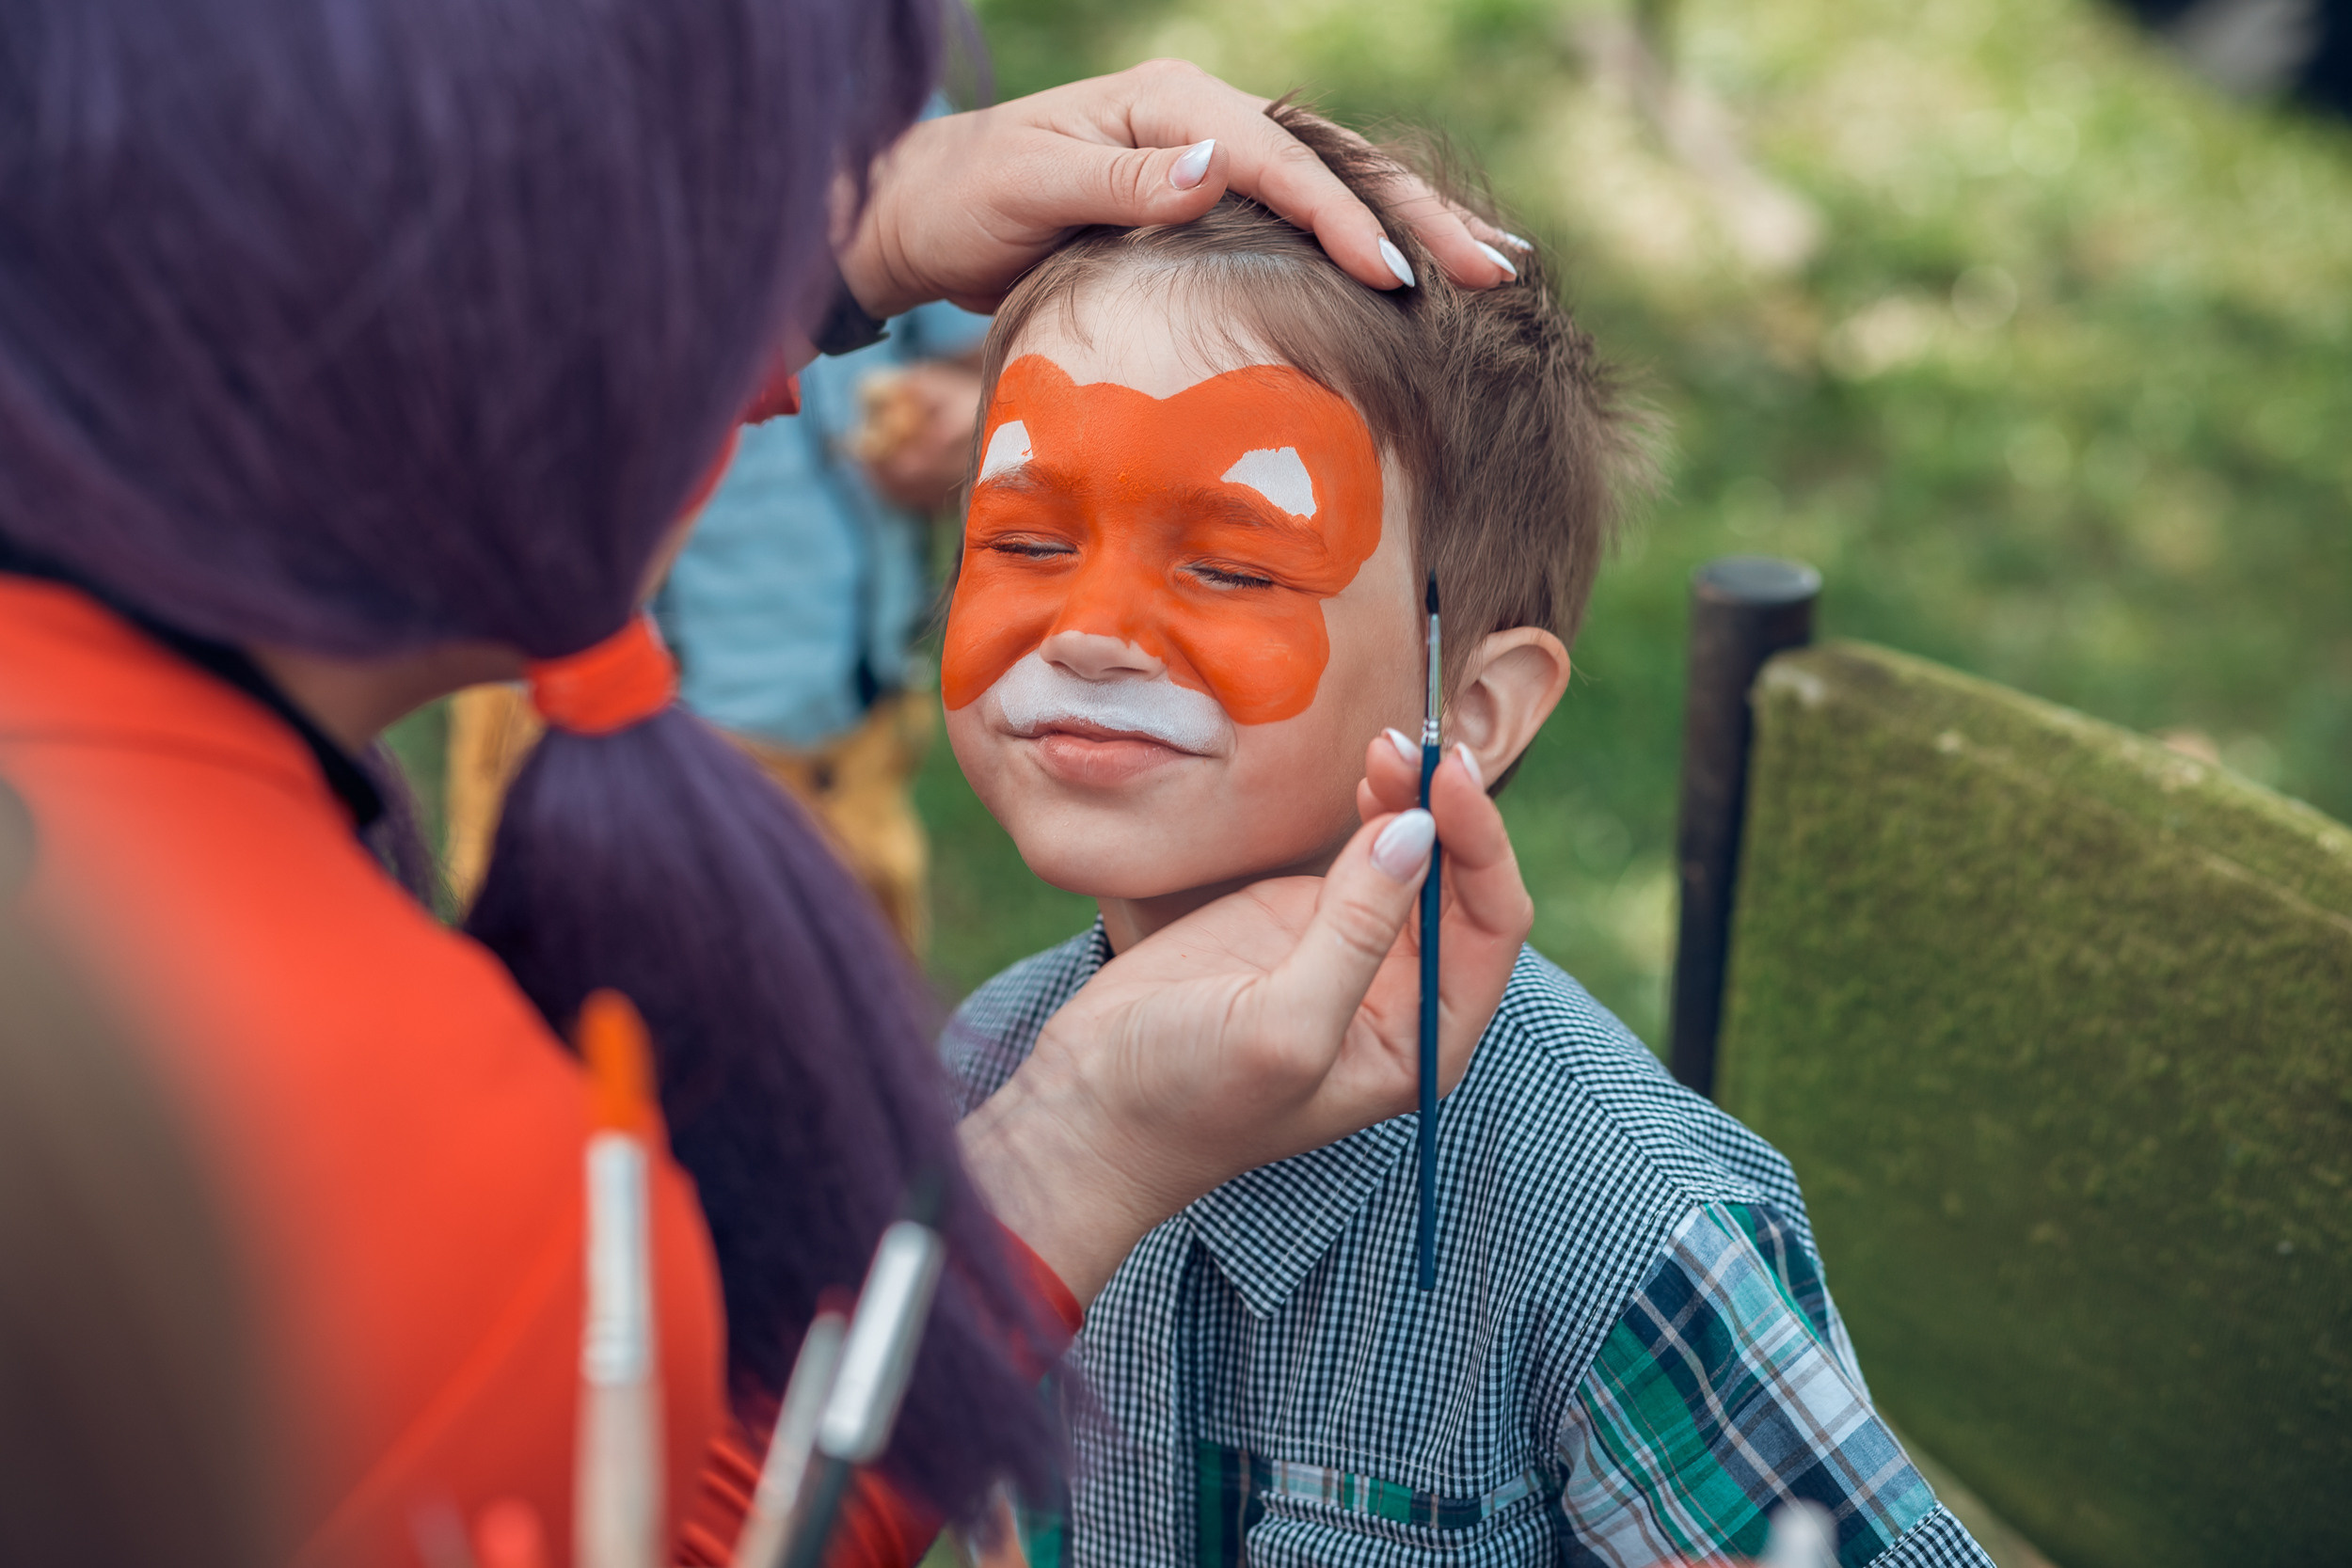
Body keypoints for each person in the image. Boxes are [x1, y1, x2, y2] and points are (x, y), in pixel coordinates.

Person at [0, 2, 1530, 1563]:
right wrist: (1071, 1156)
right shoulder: (436, 1212)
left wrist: (831, 242)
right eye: (1029, 537)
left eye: (1224, 561)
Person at [938, 113, 1994, 1566]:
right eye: (1029, 542)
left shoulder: (1615, 1233)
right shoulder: (987, 1089)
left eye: (1232, 562)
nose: (1094, 633)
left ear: (1476, 707)